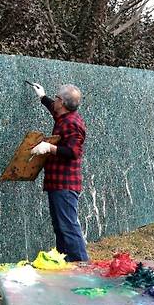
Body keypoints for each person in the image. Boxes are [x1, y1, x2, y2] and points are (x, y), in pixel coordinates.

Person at [29, 82, 89, 262]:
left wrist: (49, 147)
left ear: (61, 101)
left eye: (56, 97)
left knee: (68, 227)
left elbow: (73, 152)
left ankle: (83, 266)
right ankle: (66, 264)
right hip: (58, 183)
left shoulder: (72, 123)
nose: (54, 100)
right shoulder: (65, 117)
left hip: (65, 185)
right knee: (61, 227)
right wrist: (43, 97)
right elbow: (57, 113)